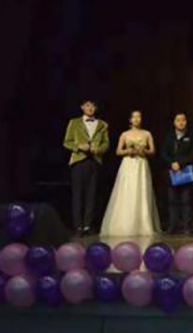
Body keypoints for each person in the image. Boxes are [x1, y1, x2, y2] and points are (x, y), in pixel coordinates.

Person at [100, 111, 161, 237]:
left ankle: (142, 224)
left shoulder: (147, 134)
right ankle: (125, 224)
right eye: (134, 117)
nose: (137, 119)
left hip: (141, 164)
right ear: (130, 120)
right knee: (127, 191)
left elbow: (153, 151)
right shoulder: (125, 134)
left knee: (142, 191)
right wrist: (128, 151)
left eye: (139, 117)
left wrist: (144, 151)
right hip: (128, 164)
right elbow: (118, 151)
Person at [63, 99, 110, 236]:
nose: (90, 108)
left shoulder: (102, 124)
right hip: (79, 161)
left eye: (93, 106)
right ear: (82, 107)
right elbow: (67, 142)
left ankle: (88, 225)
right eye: (88, 105)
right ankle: (78, 226)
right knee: (78, 194)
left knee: (92, 194)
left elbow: (106, 144)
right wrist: (79, 146)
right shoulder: (74, 122)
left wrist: (98, 149)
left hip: (94, 161)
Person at [160, 112, 193, 235]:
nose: (181, 122)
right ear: (174, 122)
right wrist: (171, 163)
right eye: (178, 120)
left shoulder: (191, 135)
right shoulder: (169, 136)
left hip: (186, 172)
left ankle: (187, 226)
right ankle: (172, 226)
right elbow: (163, 153)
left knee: (186, 201)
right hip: (172, 173)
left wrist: (181, 163)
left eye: (183, 120)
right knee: (172, 201)